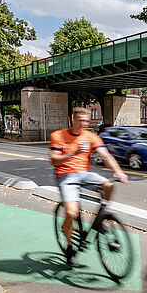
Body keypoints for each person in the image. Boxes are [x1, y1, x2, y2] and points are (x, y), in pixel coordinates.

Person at [51, 106, 128, 267]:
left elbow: (105, 155)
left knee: (108, 186)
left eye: (86, 121)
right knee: (71, 213)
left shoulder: (91, 136)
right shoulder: (58, 135)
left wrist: (118, 171)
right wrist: (74, 152)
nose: (84, 124)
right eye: (80, 121)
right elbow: (54, 161)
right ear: (73, 119)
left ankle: (101, 218)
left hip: (84, 174)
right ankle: (70, 248)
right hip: (65, 175)